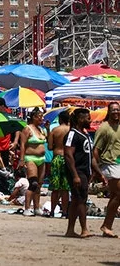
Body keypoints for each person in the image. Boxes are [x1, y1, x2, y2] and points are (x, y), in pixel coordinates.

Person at [64, 108, 105, 238]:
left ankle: (70, 230)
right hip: (77, 171)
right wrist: (75, 175)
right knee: (81, 199)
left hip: (85, 171)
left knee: (77, 200)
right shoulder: (72, 134)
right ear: (80, 119)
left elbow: (91, 157)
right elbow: (68, 155)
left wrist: (99, 173)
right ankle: (84, 229)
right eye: (87, 118)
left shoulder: (86, 134)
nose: (90, 120)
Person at [93, 101, 120, 238]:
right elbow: (96, 150)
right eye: (113, 110)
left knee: (116, 196)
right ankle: (106, 225)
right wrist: (98, 170)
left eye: (117, 110)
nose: (116, 112)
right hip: (108, 163)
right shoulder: (104, 128)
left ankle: (107, 226)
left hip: (118, 163)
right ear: (109, 112)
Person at [18, 107, 46, 216]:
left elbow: (46, 140)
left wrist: (47, 129)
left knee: (39, 184)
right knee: (33, 183)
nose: (42, 118)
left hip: (41, 159)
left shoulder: (41, 129)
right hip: (31, 158)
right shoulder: (27, 129)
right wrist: (21, 159)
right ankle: (27, 208)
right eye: (40, 116)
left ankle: (36, 207)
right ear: (34, 117)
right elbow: (23, 145)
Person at [48, 110, 71, 219]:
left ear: (60, 119)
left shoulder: (55, 130)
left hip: (57, 158)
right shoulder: (71, 130)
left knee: (55, 188)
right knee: (65, 188)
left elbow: (50, 147)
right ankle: (65, 212)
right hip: (67, 158)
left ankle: (52, 211)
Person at [0, 98, 15, 167]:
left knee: (6, 166)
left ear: (2, 106)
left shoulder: (9, 115)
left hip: (6, 147)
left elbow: (17, 128)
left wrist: (15, 142)